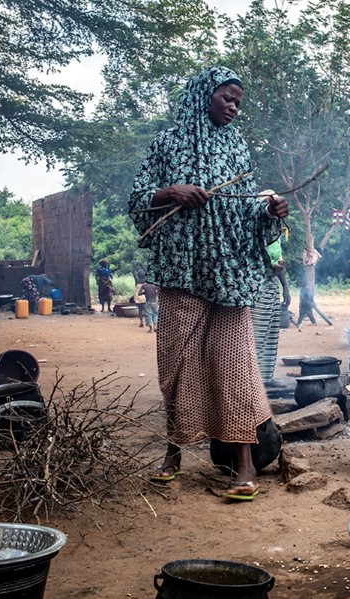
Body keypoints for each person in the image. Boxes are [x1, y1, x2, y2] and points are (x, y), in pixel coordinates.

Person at [127, 66, 289, 501]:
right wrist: (172, 191)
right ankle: (174, 452)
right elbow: (138, 199)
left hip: (229, 274)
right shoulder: (168, 143)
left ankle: (244, 465)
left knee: (233, 366)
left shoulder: (237, 146)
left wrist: (270, 212)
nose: (234, 107)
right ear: (204, 95)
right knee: (177, 362)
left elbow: (249, 211)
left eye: (239, 101)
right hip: (181, 271)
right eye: (227, 99)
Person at [250, 237, 290, 387]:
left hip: (272, 286)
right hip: (257, 285)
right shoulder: (255, 230)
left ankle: (267, 377)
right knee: (258, 335)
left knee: (272, 333)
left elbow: (280, 263)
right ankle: (254, 379)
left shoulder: (275, 237)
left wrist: (285, 288)